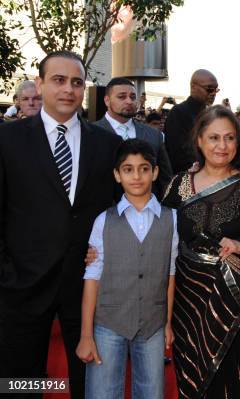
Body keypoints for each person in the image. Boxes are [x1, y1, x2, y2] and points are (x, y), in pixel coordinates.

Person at [0, 50, 122, 398]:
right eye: (58, 80)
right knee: (19, 385)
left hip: (86, 286)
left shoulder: (108, 145)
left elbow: (115, 210)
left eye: (76, 82)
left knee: (90, 384)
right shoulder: (8, 140)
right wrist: (7, 274)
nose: (68, 89)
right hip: (21, 287)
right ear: (39, 85)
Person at [162, 105, 240, 398]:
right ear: (199, 140)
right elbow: (157, 235)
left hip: (235, 304)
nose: (221, 146)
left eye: (229, 138)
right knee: (191, 375)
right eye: (213, 138)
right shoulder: (177, 186)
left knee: (233, 377)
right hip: (187, 302)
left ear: (238, 141)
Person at [76, 139, 177, 399]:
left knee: (152, 391)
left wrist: (167, 322)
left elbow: (170, 274)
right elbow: (92, 278)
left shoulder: (171, 219)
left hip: (153, 324)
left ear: (154, 172)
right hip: (108, 322)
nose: (136, 176)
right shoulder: (103, 221)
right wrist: (86, 335)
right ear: (117, 175)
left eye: (144, 169)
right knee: (102, 391)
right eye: (128, 169)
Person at [93, 77, 173, 197]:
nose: (129, 101)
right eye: (122, 97)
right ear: (107, 100)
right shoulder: (91, 133)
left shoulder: (154, 135)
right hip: (103, 211)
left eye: (133, 97)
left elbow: (165, 180)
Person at [164, 69, 219, 173]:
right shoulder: (179, 112)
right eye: (209, 89)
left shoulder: (210, 114)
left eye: (216, 90)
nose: (213, 93)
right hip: (189, 177)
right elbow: (178, 152)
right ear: (193, 87)